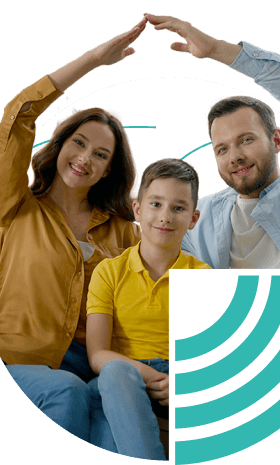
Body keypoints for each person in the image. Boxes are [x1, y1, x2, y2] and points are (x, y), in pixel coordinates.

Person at [0, 17, 158, 450]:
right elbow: (17, 115)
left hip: (91, 369)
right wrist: (94, 61)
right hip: (19, 360)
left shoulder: (124, 233)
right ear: (60, 143)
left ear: (108, 170)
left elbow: (163, 274)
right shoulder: (17, 207)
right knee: (66, 392)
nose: (85, 159)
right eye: (79, 143)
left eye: (100, 154)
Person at [145, 14, 280, 269]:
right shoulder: (196, 219)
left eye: (245, 140)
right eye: (222, 149)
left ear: (276, 140)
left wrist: (217, 50)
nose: (234, 156)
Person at [85, 158, 210, 460]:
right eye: (156, 204)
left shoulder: (203, 275)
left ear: (193, 218)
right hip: (123, 379)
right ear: (138, 209)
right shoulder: (108, 272)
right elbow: (97, 354)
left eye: (178, 208)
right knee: (114, 372)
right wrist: (149, 377)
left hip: (178, 382)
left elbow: (209, 358)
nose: (165, 216)